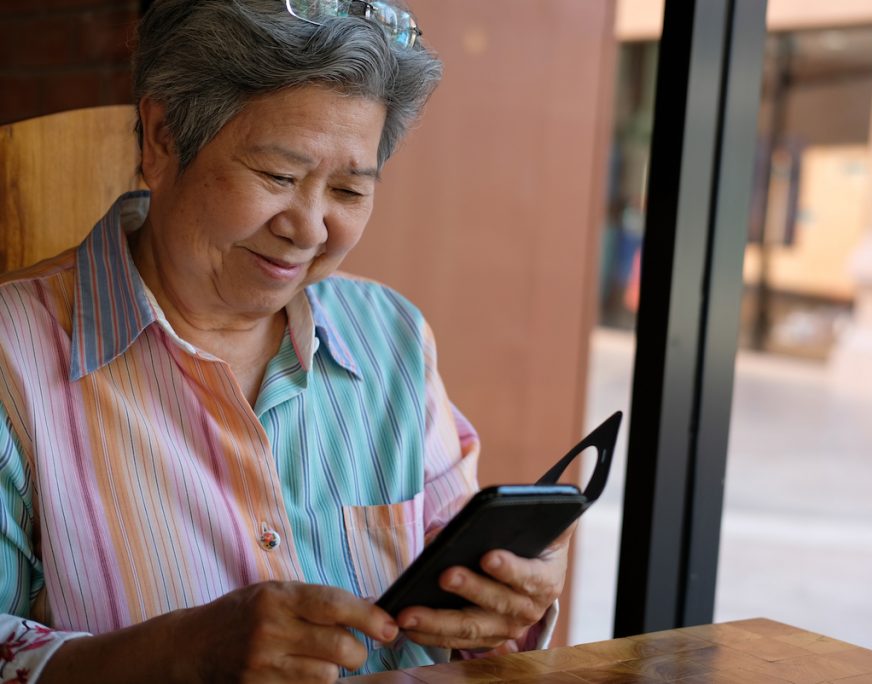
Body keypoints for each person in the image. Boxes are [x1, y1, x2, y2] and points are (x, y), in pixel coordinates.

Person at [0, 1, 572, 681]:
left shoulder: (390, 338)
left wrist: (502, 601)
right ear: (160, 138)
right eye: (277, 177)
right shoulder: (16, 357)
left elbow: (460, 617)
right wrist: (176, 656)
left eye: (349, 190)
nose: (309, 228)